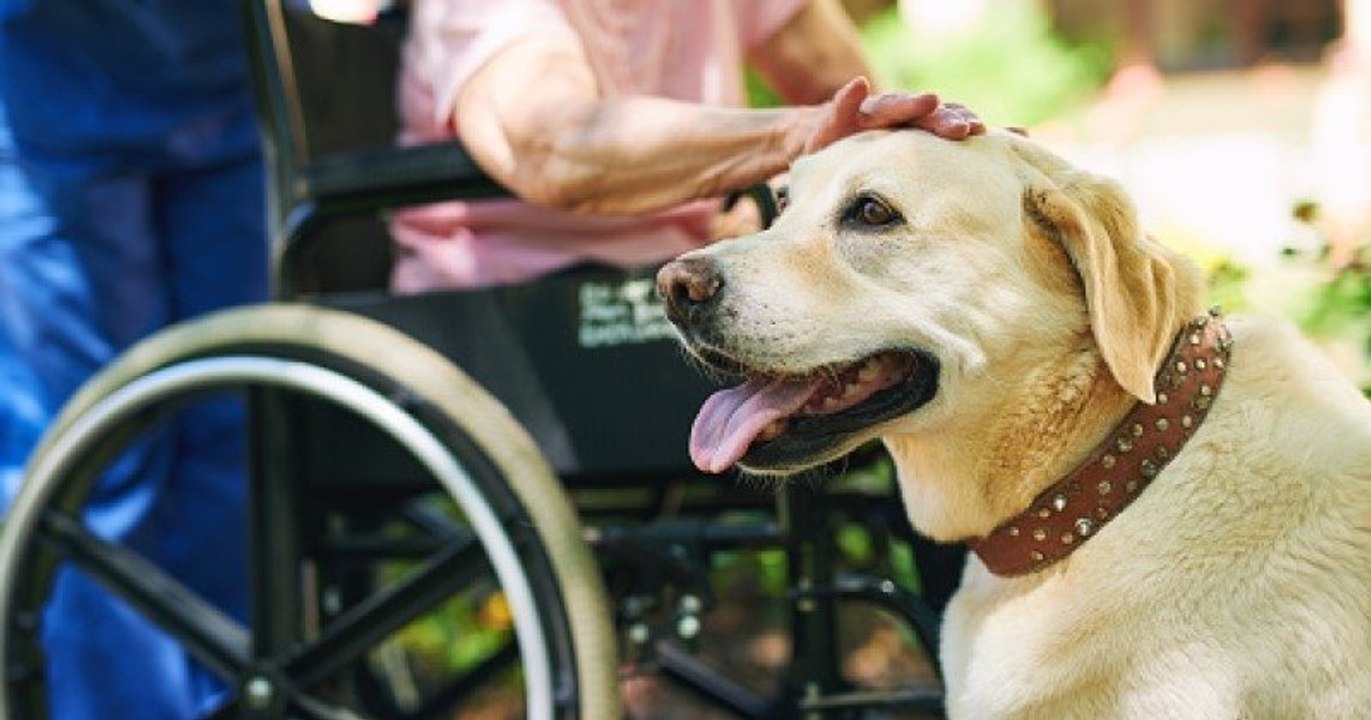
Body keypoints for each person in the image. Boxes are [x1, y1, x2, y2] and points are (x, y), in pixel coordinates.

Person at [0, 1, 267, 718]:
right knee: (92, 456)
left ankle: (228, 700)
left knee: (236, 425)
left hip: (226, 73)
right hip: (43, 81)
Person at [389, 0, 985, 292]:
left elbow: (851, 97)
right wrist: (788, 136)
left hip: (697, 267)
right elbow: (555, 148)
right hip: (523, 296)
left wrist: (779, 198)